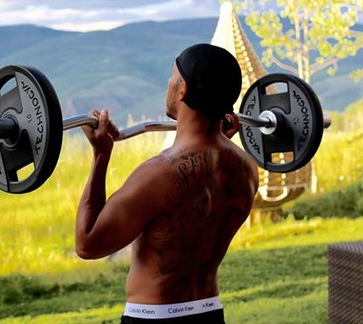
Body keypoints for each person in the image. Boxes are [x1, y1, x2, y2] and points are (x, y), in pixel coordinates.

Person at [75, 43, 259, 323]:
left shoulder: (158, 173)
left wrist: (101, 155)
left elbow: (87, 244)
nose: (169, 84)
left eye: (172, 77)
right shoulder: (245, 168)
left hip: (154, 316)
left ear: (182, 90)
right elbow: (206, 182)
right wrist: (220, 140)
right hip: (209, 311)